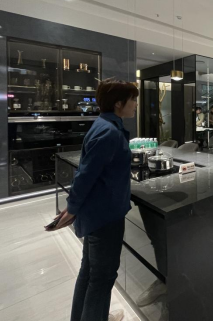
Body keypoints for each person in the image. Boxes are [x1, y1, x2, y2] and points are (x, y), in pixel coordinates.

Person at [47, 79, 138, 322]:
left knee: (89, 273)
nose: (135, 104)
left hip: (98, 213)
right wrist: (72, 208)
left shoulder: (104, 125)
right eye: (133, 99)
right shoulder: (109, 132)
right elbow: (85, 175)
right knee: (102, 278)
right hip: (105, 215)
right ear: (118, 103)